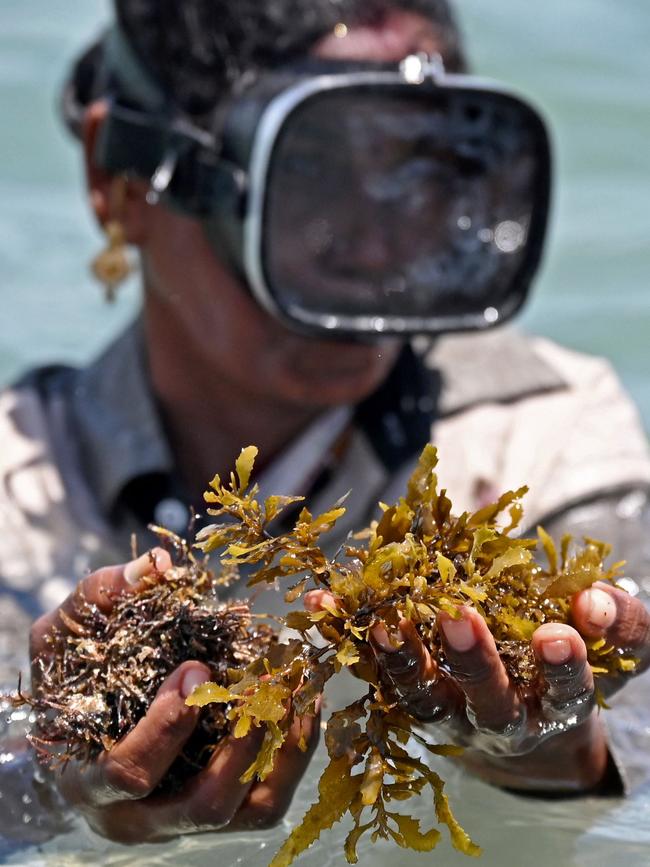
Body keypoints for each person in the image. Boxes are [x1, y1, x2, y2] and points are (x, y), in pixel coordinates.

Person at [2, 0, 650, 850]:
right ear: (119, 179)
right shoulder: (23, 485)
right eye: (310, 181)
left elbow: (635, 738)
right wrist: (44, 780)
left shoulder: (546, 432)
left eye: (418, 181)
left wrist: (554, 759)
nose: (379, 255)